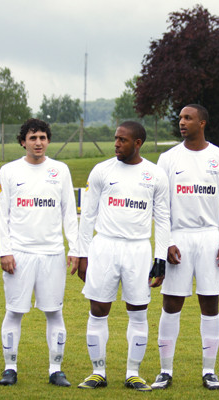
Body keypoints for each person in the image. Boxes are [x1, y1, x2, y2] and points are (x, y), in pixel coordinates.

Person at [74, 121, 170, 391]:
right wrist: (82, 254)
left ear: (137, 143)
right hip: (104, 246)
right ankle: (97, 372)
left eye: (122, 140)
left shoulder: (155, 175)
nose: (116, 144)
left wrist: (160, 257)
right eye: (115, 139)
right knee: (98, 310)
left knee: (138, 311)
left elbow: (163, 220)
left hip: (138, 249)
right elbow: (88, 215)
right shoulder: (102, 170)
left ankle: (133, 373)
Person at [152, 104, 219, 390]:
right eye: (180, 118)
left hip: (210, 236)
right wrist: (168, 243)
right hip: (179, 236)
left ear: (202, 122)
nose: (182, 122)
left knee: (210, 303)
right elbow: (161, 207)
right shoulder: (168, 158)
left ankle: (209, 371)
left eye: (188, 118)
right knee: (171, 303)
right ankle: (165, 371)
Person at [0, 118, 79, 387]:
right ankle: (10, 368)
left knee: (54, 312)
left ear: (48, 140)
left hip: (52, 253)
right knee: (13, 312)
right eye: (32, 138)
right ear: (23, 142)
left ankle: (56, 369)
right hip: (19, 254)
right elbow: (2, 215)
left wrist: (75, 248)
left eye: (42, 137)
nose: (38, 142)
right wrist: (5, 251)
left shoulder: (60, 170)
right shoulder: (8, 171)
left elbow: (69, 213)